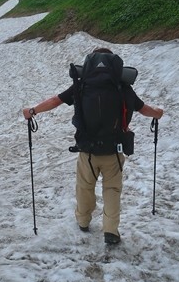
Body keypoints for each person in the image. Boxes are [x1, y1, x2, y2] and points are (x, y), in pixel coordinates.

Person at [22, 48, 164, 245]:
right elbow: (144, 109)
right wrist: (158, 113)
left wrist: (32, 111)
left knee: (84, 187)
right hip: (114, 151)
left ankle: (83, 221)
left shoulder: (81, 86)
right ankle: (111, 231)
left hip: (87, 151)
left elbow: (56, 100)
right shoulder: (123, 88)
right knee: (112, 190)